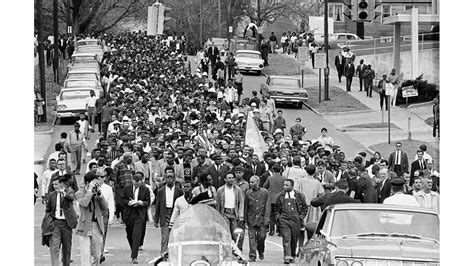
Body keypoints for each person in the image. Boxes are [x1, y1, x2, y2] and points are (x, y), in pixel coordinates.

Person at [75, 172, 108, 266]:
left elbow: (105, 208)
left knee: (97, 255)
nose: (95, 186)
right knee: (85, 255)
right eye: (93, 183)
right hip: (84, 225)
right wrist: (89, 191)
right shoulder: (79, 193)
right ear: (87, 183)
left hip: (96, 224)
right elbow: (84, 203)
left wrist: (100, 195)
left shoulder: (97, 193)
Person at [45, 176, 78, 266]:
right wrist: (49, 221)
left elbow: (72, 197)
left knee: (66, 248)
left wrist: (63, 193)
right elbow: (48, 209)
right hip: (55, 223)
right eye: (53, 184)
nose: (55, 186)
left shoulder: (68, 191)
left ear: (61, 184)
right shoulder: (52, 195)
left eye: (56, 184)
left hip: (66, 224)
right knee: (54, 247)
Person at [275, 179, 308, 264]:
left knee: (294, 239)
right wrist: (278, 217)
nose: (284, 187)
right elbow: (276, 208)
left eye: (287, 185)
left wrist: (301, 217)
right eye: (284, 185)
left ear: (292, 186)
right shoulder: (280, 196)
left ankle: (292, 255)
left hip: (296, 219)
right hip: (284, 219)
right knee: (286, 238)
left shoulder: (299, 195)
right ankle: (287, 256)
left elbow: (305, 207)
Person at [122, 172, 150, 264]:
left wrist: (141, 203)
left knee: (136, 235)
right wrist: (128, 203)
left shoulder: (145, 189)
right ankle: (133, 248)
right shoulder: (127, 188)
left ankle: (134, 256)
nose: (137, 184)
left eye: (139, 183)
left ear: (141, 182)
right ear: (133, 181)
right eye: (135, 183)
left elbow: (148, 202)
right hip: (129, 214)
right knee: (129, 234)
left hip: (139, 214)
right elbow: (122, 199)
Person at [154, 167, 183, 255]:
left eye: (171, 178)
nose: (169, 179)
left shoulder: (179, 191)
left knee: (175, 235)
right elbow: (157, 206)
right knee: (165, 236)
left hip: (175, 214)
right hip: (165, 214)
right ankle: (163, 253)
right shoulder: (160, 191)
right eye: (168, 178)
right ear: (165, 179)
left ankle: (174, 254)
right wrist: (156, 220)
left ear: (174, 179)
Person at [294, 164, 324, 248]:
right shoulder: (317, 182)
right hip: (313, 208)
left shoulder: (300, 181)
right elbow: (321, 194)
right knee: (311, 229)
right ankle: (308, 247)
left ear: (306, 171)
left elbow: (296, 192)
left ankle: (300, 247)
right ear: (315, 172)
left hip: (301, 207)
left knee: (301, 229)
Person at [216, 172, 245, 250]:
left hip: (234, 213)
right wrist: (218, 216)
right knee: (226, 233)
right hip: (224, 213)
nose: (231, 179)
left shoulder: (237, 189)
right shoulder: (220, 190)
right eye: (229, 178)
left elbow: (241, 202)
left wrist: (241, 215)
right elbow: (218, 204)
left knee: (236, 233)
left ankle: (237, 250)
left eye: (232, 178)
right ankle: (226, 251)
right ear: (225, 179)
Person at [244, 176, 270, 262]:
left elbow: (267, 206)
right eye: (250, 182)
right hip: (251, 218)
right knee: (252, 237)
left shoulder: (265, 192)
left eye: (253, 182)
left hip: (261, 219)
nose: (251, 184)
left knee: (262, 237)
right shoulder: (248, 193)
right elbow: (246, 207)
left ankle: (261, 250)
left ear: (258, 182)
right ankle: (252, 255)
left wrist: (267, 218)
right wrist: (245, 220)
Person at [262, 164, 285, 236]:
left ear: (273, 170)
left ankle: (271, 230)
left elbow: (264, 186)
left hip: (271, 199)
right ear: (281, 170)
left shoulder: (270, 178)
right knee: (280, 214)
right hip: (280, 199)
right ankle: (280, 230)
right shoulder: (284, 178)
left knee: (271, 215)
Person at [98, 172, 115, 264]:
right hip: (94, 213)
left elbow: (111, 203)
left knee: (103, 233)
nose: (100, 178)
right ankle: (96, 253)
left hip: (104, 213)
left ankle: (100, 254)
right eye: (98, 176)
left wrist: (111, 216)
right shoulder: (92, 187)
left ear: (105, 178)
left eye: (102, 176)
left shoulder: (108, 188)